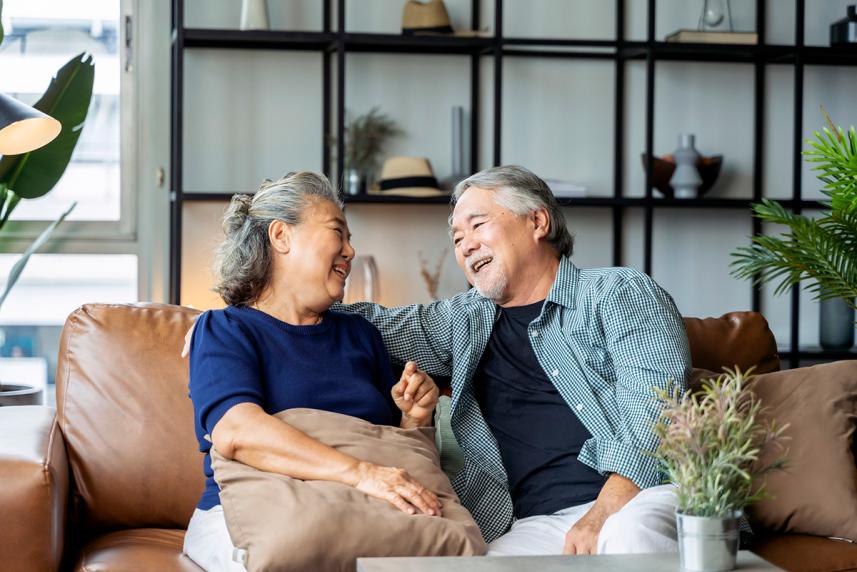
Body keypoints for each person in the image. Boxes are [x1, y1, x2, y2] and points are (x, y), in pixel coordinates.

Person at [335, 165, 693, 556]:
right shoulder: (464, 320)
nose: (466, 245)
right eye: (457, 238)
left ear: (537, 221)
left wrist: (601, 515)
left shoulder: (617, 293)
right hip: (536, 524)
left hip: (642, 498)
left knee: (630, 536)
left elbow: (659, 411)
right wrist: (283, 291)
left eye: (477, 225)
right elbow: (371, 325)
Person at [183, 172, 442, 572]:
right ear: (281, 236)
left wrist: (414, 417)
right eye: (338, 231)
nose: (351, 251)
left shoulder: (361, 335)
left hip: (357, 515)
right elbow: (237, 432)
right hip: (252, 514)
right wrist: (359, 473)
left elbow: (391, 457)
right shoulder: (225, 330)